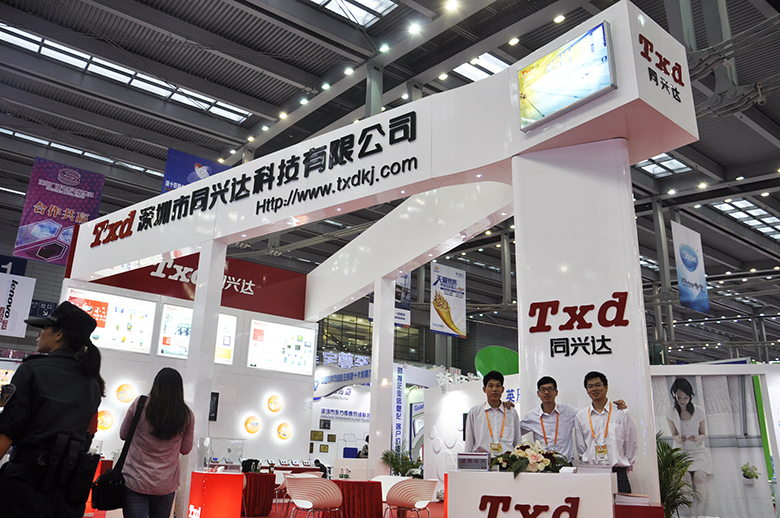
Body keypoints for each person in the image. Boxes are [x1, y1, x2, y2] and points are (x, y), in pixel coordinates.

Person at [0, 301, 104, 518]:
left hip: (24, 488)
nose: (39, 334)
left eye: (45, 328)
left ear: (59, 334)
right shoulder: (92, 383)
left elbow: (8, 430)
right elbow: (88, 434)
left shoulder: (31, 371)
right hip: (67, 493)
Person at [121, 367, 194, 518]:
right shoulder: (186, 415)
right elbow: (186, 449)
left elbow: (123, 434)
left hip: (135, 480)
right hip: (165, 485)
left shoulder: (140, 404)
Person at [520, 376, 627, 462]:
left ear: (556, 392)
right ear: (538, 394)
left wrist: (614, 407)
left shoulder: (569, 411)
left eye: (550, 389)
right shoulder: (531, 416)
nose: (546, 392)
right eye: (543, 390)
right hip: (542, 466)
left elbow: (591, 414)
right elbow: (515, 431)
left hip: (565, 465)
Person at [575, 371, 638, 493]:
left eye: (598, 385)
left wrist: (626, 463)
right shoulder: (581, 416)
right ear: (587, 390)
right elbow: (581, 448)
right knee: (593, 505)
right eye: (590, 386)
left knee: (621, 505)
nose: (594, 389)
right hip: (592, 474)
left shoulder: (622, 412)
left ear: (606, 387)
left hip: (617, 472)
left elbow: (631, 442)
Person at [666, 378, 711, 516]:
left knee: (699, 478)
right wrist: (678, 438)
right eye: (679, 397)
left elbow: (703, 434)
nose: (682, 400)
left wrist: (697, 438)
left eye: (685, 397)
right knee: (685, 480)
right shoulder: (671, 411)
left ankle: (701, 514)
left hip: (698, 450)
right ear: (674, 395)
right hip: (680, 451)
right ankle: (690, 513)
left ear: (690, 396)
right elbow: (673, 434)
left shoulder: (699, 411)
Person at [465, 371, 522, 455]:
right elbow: (469, 442)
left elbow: (517, 441)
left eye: (498, 386)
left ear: (502, 389)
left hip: (507, 460)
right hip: (482, 460)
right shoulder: (475, 412)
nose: (494, 389)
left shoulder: (511, 412)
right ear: (484, 389)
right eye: (491, 386)